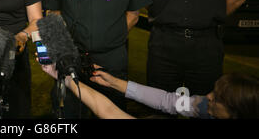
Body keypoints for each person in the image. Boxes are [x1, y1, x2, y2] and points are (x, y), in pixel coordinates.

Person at [40, 63, 259, 119]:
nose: (207, 97)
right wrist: (116, 83)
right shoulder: (202, 106)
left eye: (216, 100)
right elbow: (167, 101)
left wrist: (66, 79)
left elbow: (109, 112)